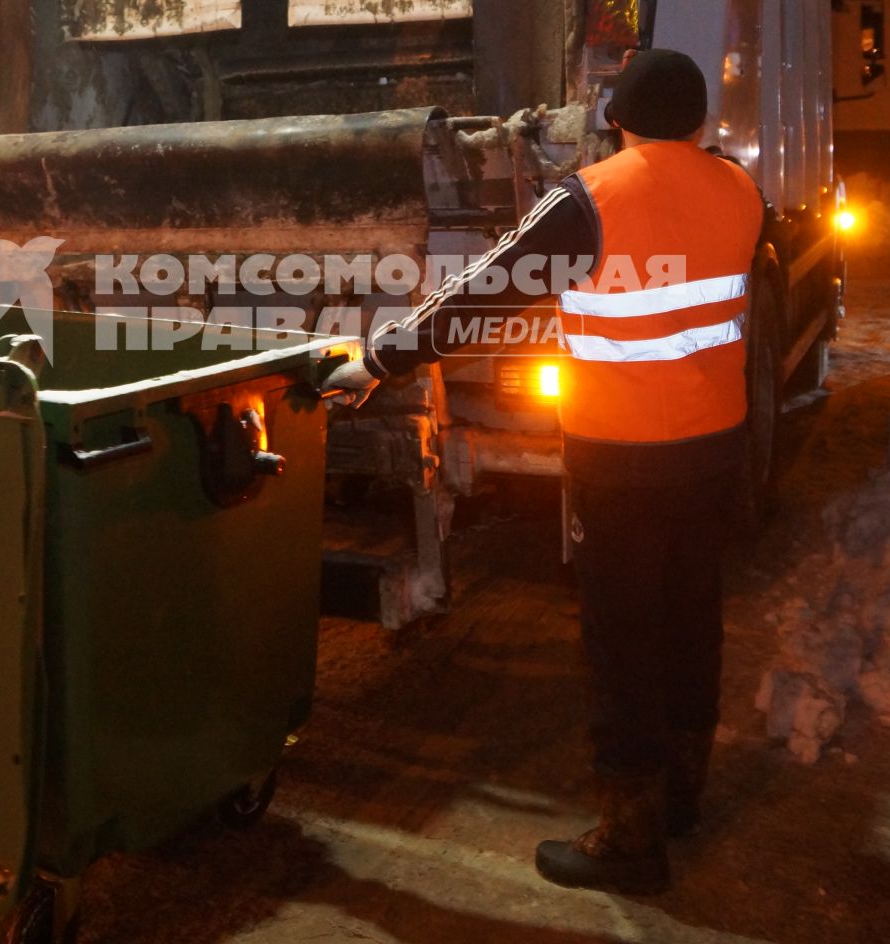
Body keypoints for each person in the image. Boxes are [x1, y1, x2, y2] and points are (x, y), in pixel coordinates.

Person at [320, 49, 765, 896]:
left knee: (621, 641)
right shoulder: (740, 191)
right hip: (713, 454)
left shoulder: (591, 198)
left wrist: (381, 358)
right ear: (699, 121)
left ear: (619, 120)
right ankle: (680, 798)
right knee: (689, 620)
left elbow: (482, 295)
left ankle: (631, 840)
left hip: (622, 462)